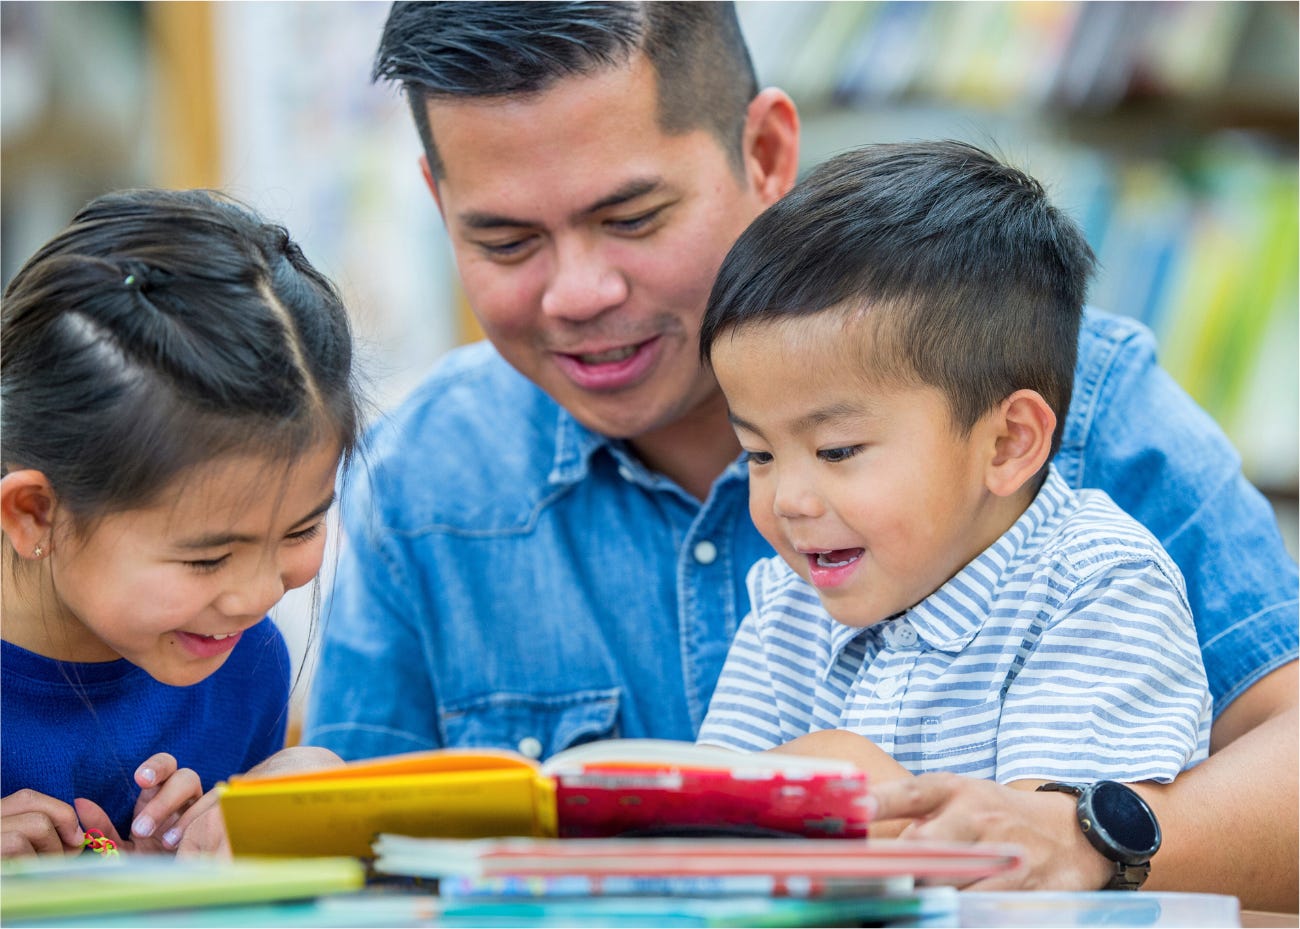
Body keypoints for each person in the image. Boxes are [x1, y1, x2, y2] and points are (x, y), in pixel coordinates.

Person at [303, 1, 1298, 907]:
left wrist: (1091, 837)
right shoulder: (425, 473)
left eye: (632, 217)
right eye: (508, 241)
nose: (577, 291)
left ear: (768, 151)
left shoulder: (1072, 396)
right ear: (439, 204)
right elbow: (359, 854)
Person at [693, 139, 1211, 809]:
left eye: (838, 450)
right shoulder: (785, 609)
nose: (787, 500)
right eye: (758, 454)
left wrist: (867, 792)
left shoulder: (1095, 585)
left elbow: (1054, 867)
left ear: (1006, 443)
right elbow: (714, 824)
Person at [0, 187, 358, 858]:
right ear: (37, 513)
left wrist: (290, 819)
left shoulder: (239, 663)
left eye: (302, 529)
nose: (254, 597)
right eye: (207, 558)